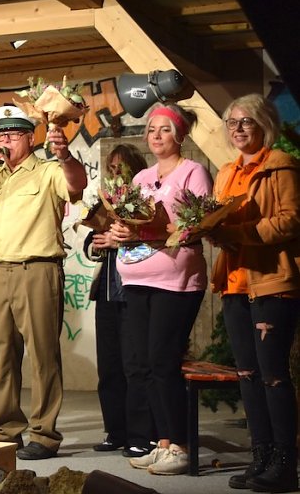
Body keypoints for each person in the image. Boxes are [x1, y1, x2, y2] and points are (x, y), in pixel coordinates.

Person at [0, 105, 87, 461]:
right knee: (2, 354)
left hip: (38, 270)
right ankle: (4, 428)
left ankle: (43, 434)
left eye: (13, 134)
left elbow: (77, 184)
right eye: (1, 135)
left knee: (43, 355)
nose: (6, 140)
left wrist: (65, 154)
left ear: (30, 137)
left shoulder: (47, 171)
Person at [109, 103, 212, 475]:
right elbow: (127, 224)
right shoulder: (140, 180)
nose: (155, 135)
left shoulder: (193, 171)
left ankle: (181, 444)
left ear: (180, 135)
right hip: (137, 279)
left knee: (163, 361)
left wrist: (152, 229)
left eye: (164, 129)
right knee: (144, 364)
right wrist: (120, 230)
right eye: (151, 129)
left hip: (176, 282)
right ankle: (163, 441)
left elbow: (195, 224)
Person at [208, 94, 300, 492]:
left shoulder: (280, 165)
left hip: (272, 283)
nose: (238, 129)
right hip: (233, 283)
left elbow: (291, 221)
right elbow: (215, 216)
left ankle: (285, 463)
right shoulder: (226, 171)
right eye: (232, 123)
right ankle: (260, 456)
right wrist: (207, 228)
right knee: (247, 376)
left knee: (273, 376)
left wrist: (238, 233)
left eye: (246, 122)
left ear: (264, 124)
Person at [83, 145, 149, 455]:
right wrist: (98, 244)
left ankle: (141, 434)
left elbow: (156, 242)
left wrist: (117, 242)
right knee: (108, 366)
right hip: (107, 291)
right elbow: (90, 242)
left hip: (136, 291)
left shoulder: (145, 200)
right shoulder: (105, 202)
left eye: (121, 167)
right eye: (111, 167)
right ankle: (116, 431)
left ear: (135, 169)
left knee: (134, 365)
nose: (115, 173)